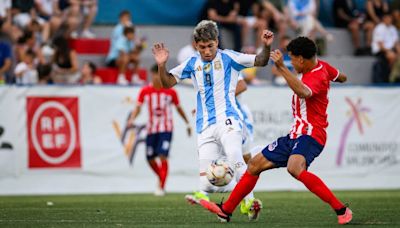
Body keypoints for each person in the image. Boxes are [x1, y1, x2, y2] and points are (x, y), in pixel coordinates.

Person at [199, 36, 352, 225]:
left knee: (294, 168)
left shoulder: (318, 75)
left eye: (293, 59)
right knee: (254, 165)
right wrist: (338, 78)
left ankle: (341, 210)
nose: (292, 63)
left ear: (302, 59)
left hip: (312, 134)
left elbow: (303, 92)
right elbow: (342, 77)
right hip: (295, 135)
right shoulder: (324, 68)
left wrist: (281, 68)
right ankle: (226, 210)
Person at [152, 20, 274, 220]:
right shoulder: (192, 63)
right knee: (210, 181)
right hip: (204, 126)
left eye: (211, 46)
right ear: (195, 45)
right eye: (202, 47)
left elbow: (260, 60)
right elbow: (166, 83)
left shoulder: (230, 58)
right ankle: (224, 200)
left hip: (228, 120)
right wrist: (162, 65)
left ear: (217, 42)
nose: (207, 51)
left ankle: (249, 202)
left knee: (235, 157)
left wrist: (267, 47)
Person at [127, 64, 192, 196]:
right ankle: (161, 178)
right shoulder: (145, 91)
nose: (159, 77)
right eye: (157, 74)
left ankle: (161, 186)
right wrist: (132, 119)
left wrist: (187, 123)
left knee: (163, 155)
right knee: (150, 158)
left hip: (166, 129)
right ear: (152, 75)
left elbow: (179, 108)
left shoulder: (171, 92)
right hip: (151, 129)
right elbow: (138, 108)